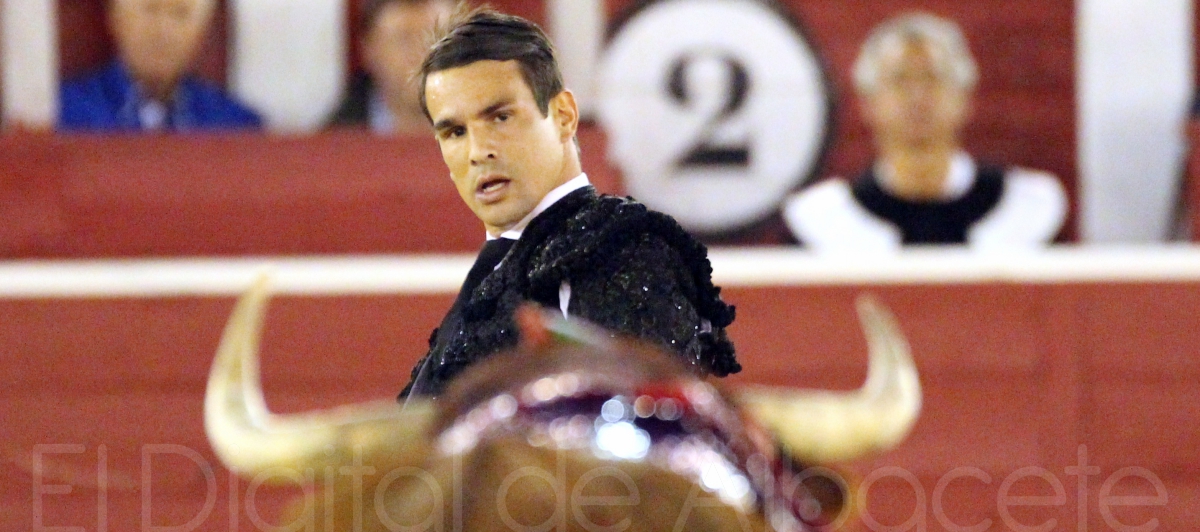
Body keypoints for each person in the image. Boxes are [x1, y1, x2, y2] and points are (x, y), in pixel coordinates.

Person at [400, 6, 740, 398]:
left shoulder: (616, 248)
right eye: (456, 132)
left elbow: (639, 433)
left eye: (500, 117)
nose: (478, 151)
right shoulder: (497, 274)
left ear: (563, 115)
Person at [783, 13, 1066, 251]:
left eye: (933, 77)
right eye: (899, 80)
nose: (918, 97)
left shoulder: (1027, 209)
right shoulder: (822, 220)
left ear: (965, 97)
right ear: (867, 103)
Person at [60, 0, 262, 132]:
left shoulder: (235, 127)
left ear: (204, 29)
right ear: (114, 16)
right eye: (150, 8)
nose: (163, 30)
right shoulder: (63, 114)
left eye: (180, 13)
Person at [326, 0, 453, 133]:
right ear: (369, 49)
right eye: (404, 40)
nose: (423, 56)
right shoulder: (330, 144)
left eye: (438, 39)